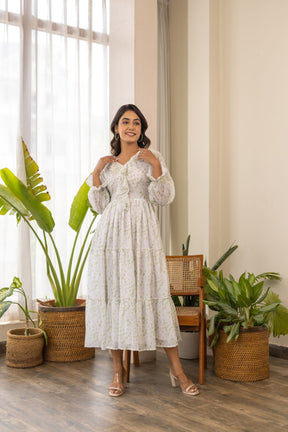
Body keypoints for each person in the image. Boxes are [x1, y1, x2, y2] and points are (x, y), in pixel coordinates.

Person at [85, 104, 199, 398]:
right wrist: (97, 172)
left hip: (142, 236)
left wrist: (157, 168)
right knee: (115, 298)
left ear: (141, 129)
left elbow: (163, 198)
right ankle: (117, 373)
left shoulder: (150, 158)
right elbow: (99, 207)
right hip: (111, 239)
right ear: (116, 128)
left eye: (136, 123)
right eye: (125, 122)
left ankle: (178, 371)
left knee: (153, 292)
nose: (131, 127)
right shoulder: (107, 164)